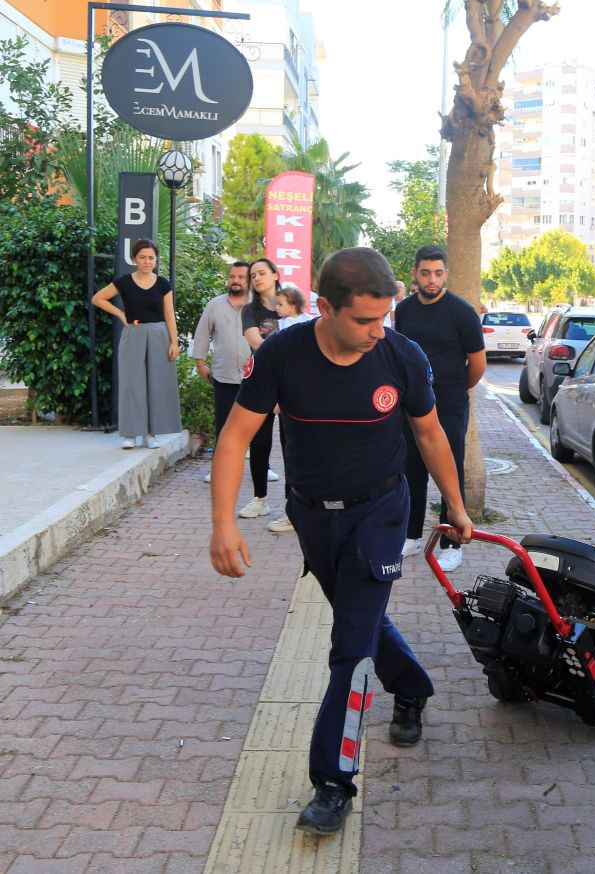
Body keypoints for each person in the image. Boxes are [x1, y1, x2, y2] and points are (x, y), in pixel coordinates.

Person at [209, 247, 474, 837]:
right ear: (324, 307)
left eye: (384, 318)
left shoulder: (401, 356)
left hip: (380, 512)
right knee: (362, 620)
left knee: (349, 647)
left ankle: (334, 780)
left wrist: (455, 505)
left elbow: (430, 435)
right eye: (364, 320)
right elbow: (234, 438)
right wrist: (223, 523)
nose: (377, 332)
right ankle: (412, 687)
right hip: (312, 515)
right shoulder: (282, 355)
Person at [393, 245, 485, 572]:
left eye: (438, 273)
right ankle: (411, 536)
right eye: (425, 273)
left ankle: (451, 543)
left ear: (446, 273)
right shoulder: (403, 311)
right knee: (411, 468)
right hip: (411, 403)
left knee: (450, 470)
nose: (432, 280)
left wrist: (457, 388)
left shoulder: (461, 312)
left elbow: (477, 363)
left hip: (449, 403)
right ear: (415, 274)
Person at [91, 238, 181, 449]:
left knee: (157, 383)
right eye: (142, 257)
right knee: (132, 383)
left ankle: (151, 433)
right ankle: (131, 433)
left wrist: (174, 342)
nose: (147, 261)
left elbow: (169, 315)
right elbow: (98, 298)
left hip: (159, 334)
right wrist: (120, 314)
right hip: (134, 334)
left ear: (156, 259)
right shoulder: (124, 282)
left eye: (151, 257)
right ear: (134, 259)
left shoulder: (163, 284)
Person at [192, 262, 253, 482]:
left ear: (249, 281)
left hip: (255, 376)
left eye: (241, 277)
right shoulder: (214, 305)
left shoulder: (259, 306)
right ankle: (218, 469)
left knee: (259, 427)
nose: (236, 280)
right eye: (232, 276)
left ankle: (261, 468)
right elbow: (201, 334)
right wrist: (200, 364)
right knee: (224, 424)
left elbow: (272, 339)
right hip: (224, 374)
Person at [239, 257, 283, 522]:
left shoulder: (291, 302)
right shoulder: (249, 310)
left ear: (276, 275)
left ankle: (293, 506)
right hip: (261, 379)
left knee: (294, 444)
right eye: (253, 275)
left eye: (262, 273)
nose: (256, 278)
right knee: (259, 442)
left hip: (291, 379)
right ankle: (260, 499)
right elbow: (256, 342)